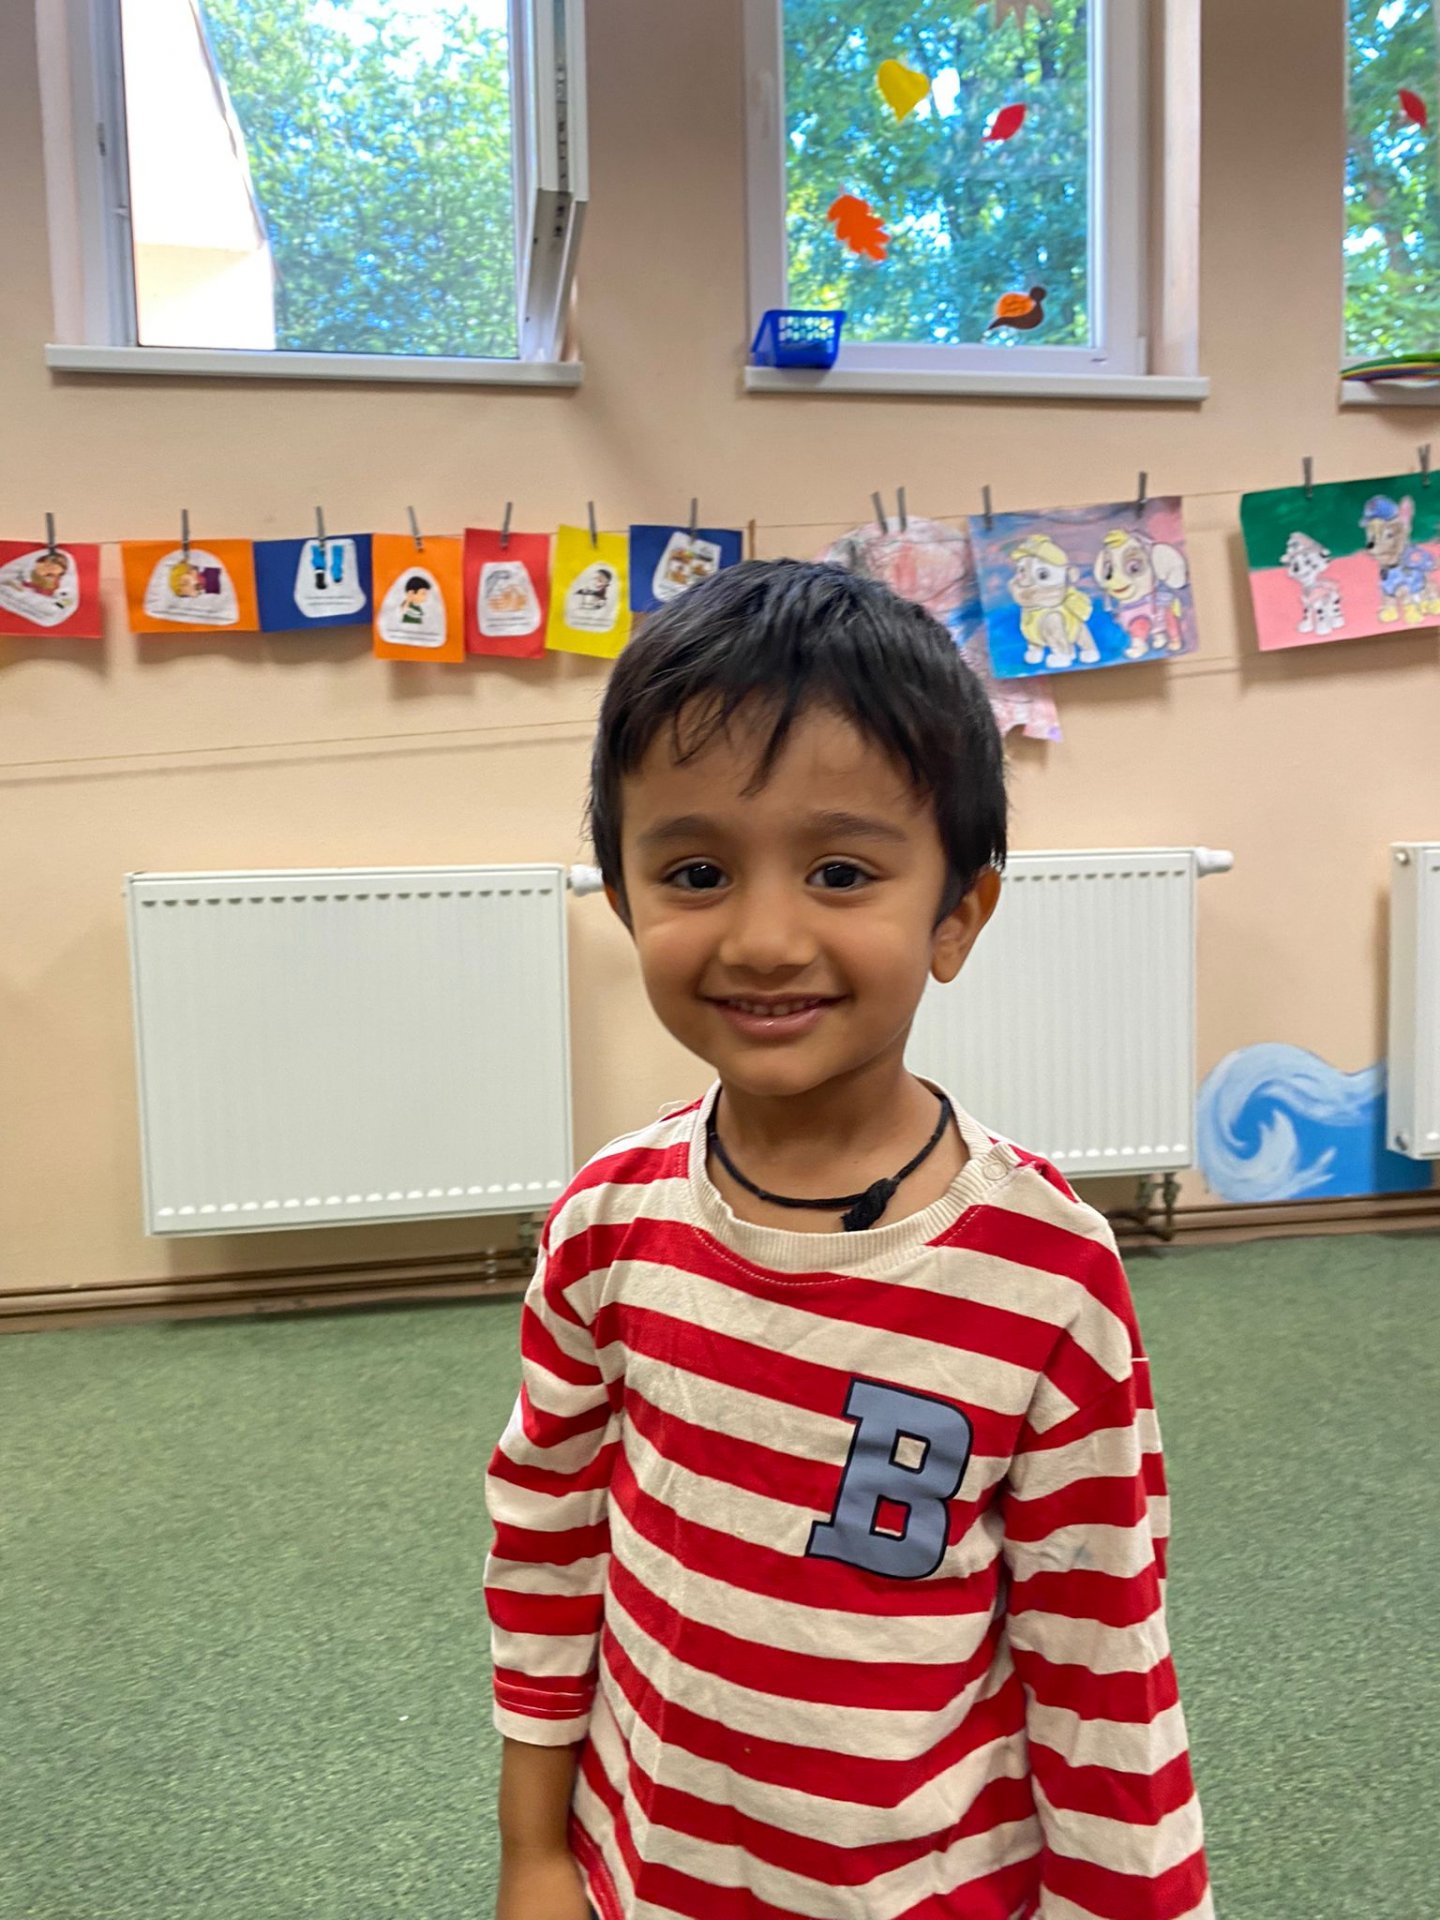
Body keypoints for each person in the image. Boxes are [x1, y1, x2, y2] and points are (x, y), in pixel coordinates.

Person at [485, 560, 1211, 1920]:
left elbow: (1102, 1657)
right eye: (697, 871)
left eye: (839, 871)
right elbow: (547, 1547)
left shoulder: (1046, 1272)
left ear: (957, 916)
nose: (765, 938)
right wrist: (534, 1855)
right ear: (626, 900)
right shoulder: (603, 1226)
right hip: (644, 1872)